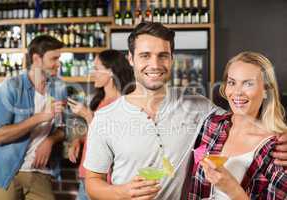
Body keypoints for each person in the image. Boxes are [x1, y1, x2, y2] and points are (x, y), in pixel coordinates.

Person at [84, 22, 287, 200]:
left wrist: (282, 136)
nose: (154, 64)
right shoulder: (104, 118)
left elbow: (242, 116)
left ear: (172, 59)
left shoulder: (197, 106)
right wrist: (122, 193)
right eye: (145, 55)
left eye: (162, 55)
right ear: (130, 58)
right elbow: (92, 182)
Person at [187, 52, 287, 199]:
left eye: (248, 83)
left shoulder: (277, 149)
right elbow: (194, 171)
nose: (237, 92)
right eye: (232, 82)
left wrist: (233, 190)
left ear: (266, 90)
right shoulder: (212, 125)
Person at [0, 35, 67, 200]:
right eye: (54, 58)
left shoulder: (58, 88)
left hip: (40, 173)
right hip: (8, 172)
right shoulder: (12, 87)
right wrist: (41, 117)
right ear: (37, 59)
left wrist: (50, 140)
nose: (58, 64)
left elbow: (63, 128)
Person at [67, 49, 135, 200]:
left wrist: (87, 115)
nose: (93, 73)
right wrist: (80, 140)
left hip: (103, 180)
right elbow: (96, 135)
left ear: (111, 72)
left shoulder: (122, 103)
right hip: (86, 174)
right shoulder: (100, 100)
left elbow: (114, 139)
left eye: (97, 69)